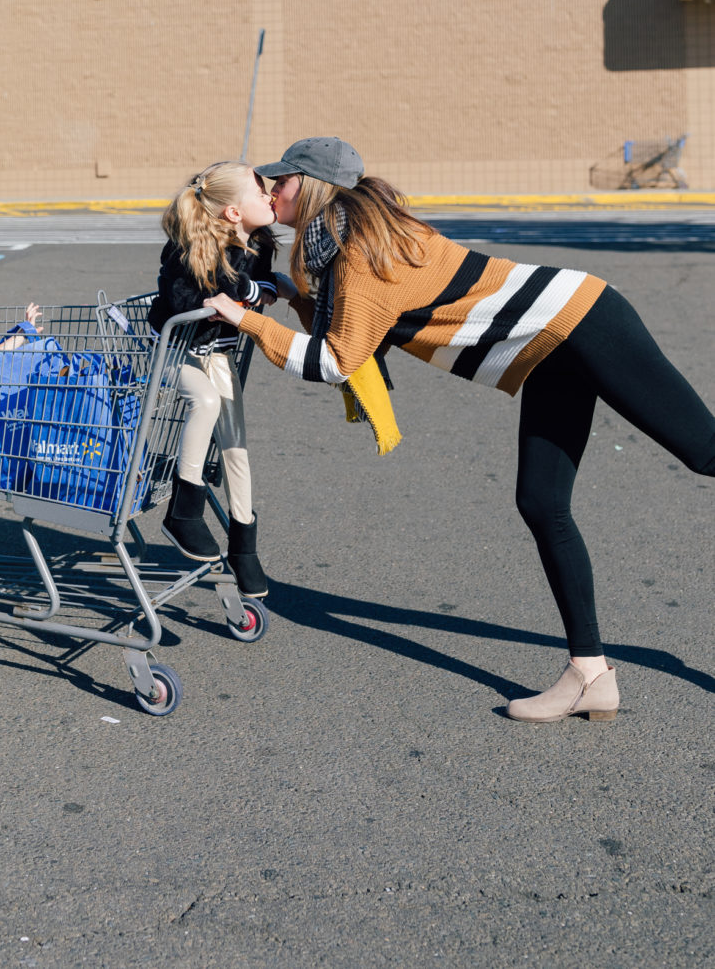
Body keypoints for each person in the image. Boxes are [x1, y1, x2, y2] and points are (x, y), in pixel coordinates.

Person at [205, 136, 715, 723]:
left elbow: (335, 361)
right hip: (550, 349)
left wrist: (244, 319)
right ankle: (590, 676)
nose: (271, 190)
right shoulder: (353, 236)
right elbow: (352, 325)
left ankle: (592, 672)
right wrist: (296, 296)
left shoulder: (360, 253)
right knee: (542, 503)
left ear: (314, 188)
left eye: (283, 180)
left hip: (585, 323)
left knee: (704, 453)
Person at [149, 162, 279, 597]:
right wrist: (246, 289)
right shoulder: (190, 247)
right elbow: (187, 300)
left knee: (235, 448)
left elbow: (259, 288)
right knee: (203, 402)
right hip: (174, 350)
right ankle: (183, 511)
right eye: (260, 192)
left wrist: (257, 288)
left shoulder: (258, 244)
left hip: (216, 355)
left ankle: (244, 547)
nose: (271, 196)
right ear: (234, 213)